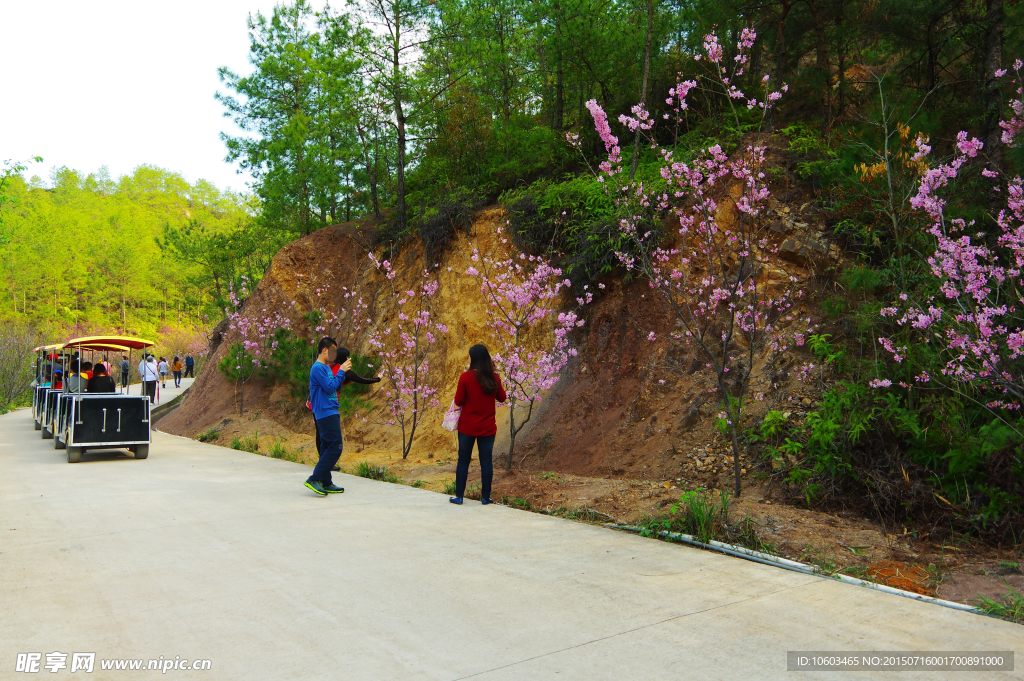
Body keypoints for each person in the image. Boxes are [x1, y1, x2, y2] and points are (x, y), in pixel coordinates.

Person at [450, 344, 506, 505]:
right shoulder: (494, 378)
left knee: (463, 460)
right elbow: (502, 398)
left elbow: (459, 401)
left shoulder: (465, 377)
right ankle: (485, 497)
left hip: (467, 427)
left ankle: (459, 496)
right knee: (486, 461)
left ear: (473, 359)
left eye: (469, 356)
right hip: (488, 428)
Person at [305, 337, 351, 496]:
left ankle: (325, 481)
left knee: (326, 448)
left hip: (331, 410)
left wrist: (343, 373)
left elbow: (336, 387)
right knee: (335, 447)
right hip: (325, 412)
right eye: (332, 351)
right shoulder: (317, 368)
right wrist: (341, 371)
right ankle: (314, 478)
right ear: (325, 350)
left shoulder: (325, 368)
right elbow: (330, 387)